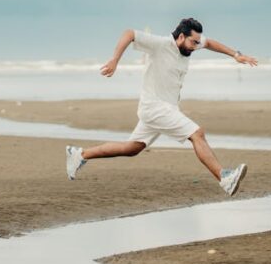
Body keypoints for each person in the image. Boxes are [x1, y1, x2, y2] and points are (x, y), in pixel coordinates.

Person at [65, 18, 258, 196]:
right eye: (193, 42)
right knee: (197, 134)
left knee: (132, 148)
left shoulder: (190, 45)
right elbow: (129, 33)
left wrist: (236, 55)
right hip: (155, 107)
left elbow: (210, 43)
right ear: (181, 37)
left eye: (197, 42)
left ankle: (79, 154)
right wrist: (115, 60)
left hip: (164, 109)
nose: (196, 46)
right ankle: (224, 178)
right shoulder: (160, 44)